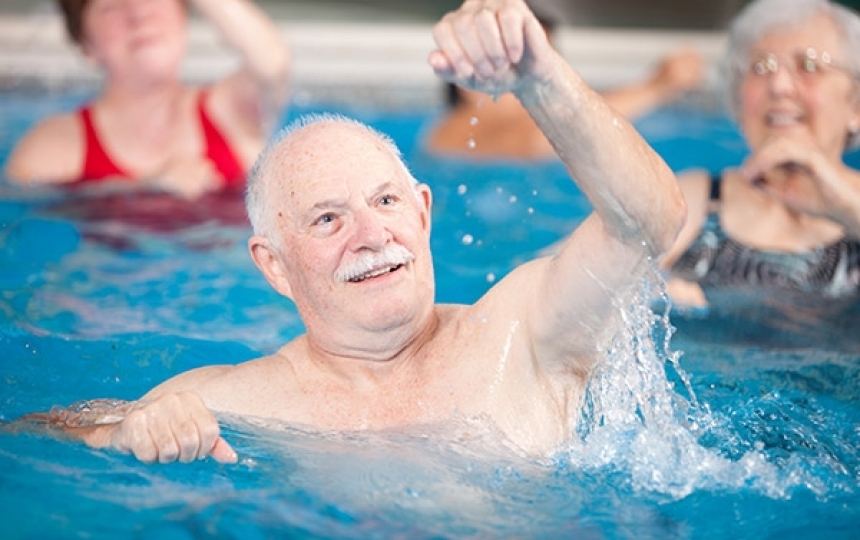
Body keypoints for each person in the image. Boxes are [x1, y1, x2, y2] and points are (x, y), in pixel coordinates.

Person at [19, 0, 685, 464]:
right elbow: (35, 430)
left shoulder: (524, 332)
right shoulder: (242, 397)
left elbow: (648, 224)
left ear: (423, 213)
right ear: (273, 266)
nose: (372, 234)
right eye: (328, 218)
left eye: (386, 200)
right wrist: (120, 437)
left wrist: (541, 79)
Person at [661, 0, 860, 309]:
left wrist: (848, 208)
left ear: (856, 106)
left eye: (809, 66)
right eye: (760, 67)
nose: (778, 86)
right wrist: (651, 293)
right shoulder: (692, 203)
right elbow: (585, 283)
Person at [4, 0, 290, 199]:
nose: (138, 14)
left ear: (182, 13)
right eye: (111, 6)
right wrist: (141, 191)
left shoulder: (231, 112)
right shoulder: (51, 148)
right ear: (87, 44)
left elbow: (271, 61)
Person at [423, 8, 704, 160]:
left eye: (547, 64)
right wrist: (658, 86)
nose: (540, 80)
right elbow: (537, 139)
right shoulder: (451, 133)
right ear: (467, 79)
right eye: (524, 62)